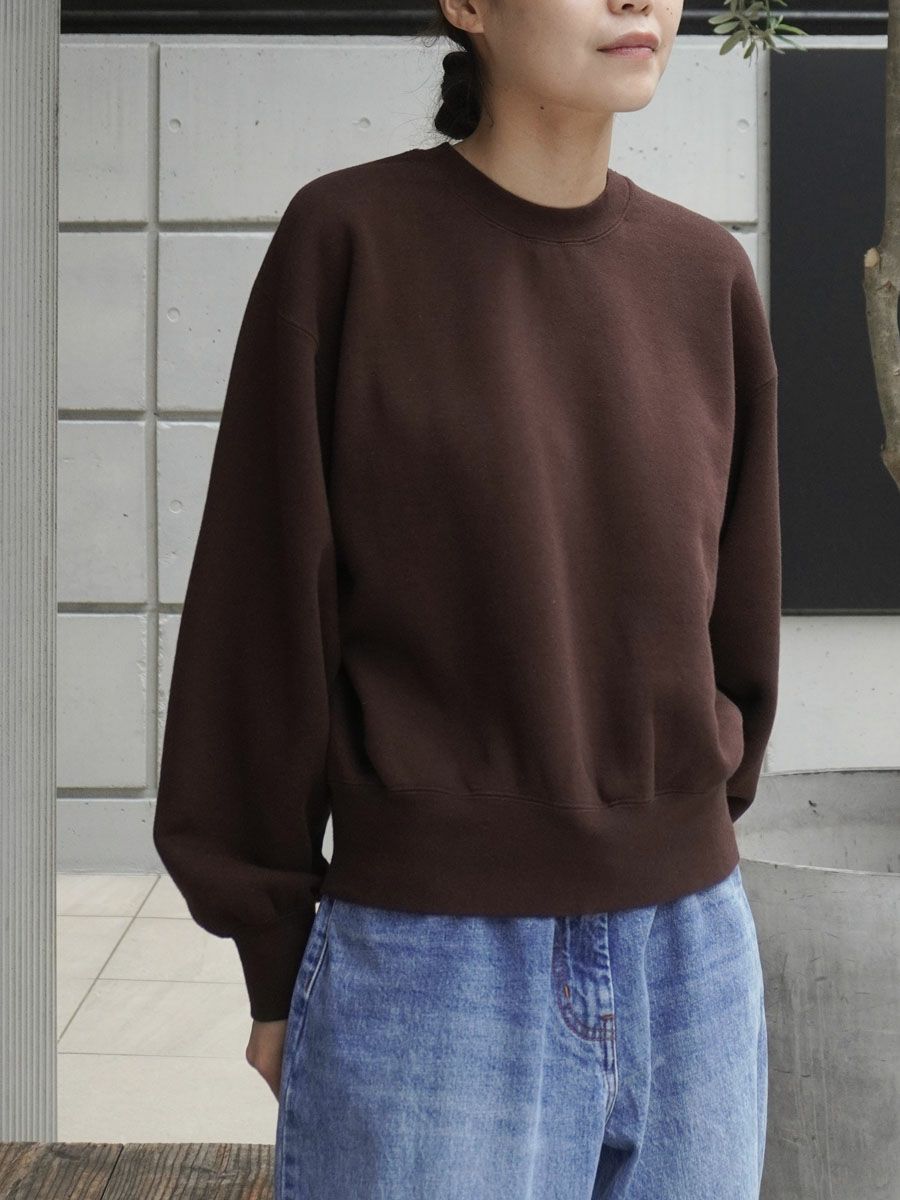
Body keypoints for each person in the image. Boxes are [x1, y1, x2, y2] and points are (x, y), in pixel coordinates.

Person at [153, 0, 780, 1195]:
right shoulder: (350, 243)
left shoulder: (707, 276)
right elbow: (260, 614)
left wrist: (677, 826)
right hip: (433, 962)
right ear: (469, 5)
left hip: (693, 959)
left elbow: (735, 620)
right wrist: (273, 952)